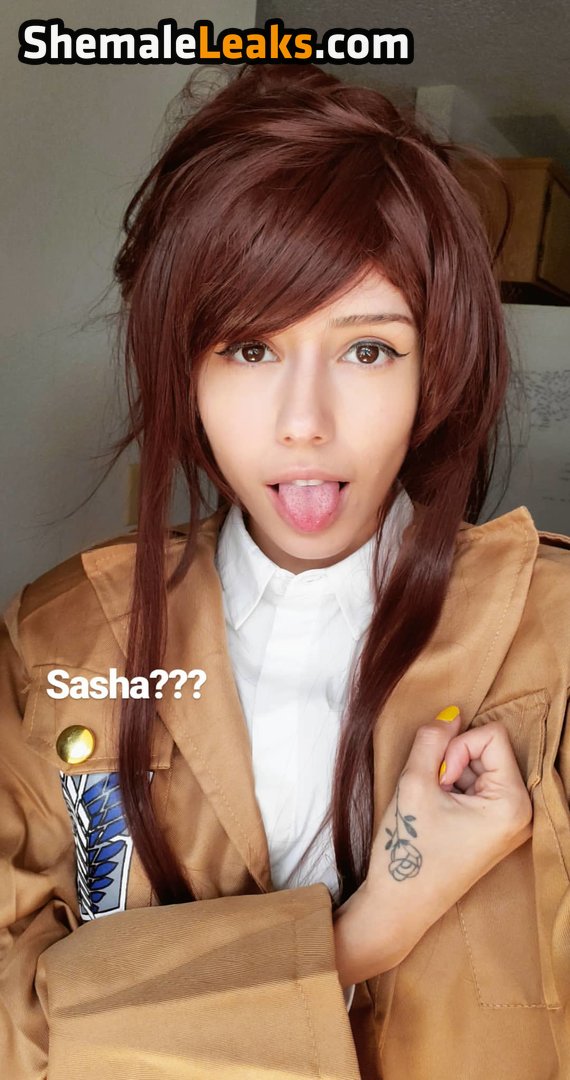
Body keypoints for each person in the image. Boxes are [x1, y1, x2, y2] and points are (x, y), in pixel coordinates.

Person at [1, 63, 569, 1080]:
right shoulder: (57, 645)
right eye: (251, 350)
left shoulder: (554, 640)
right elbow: (17, 1036)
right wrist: (364, 934)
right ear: (184, 364)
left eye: (368, 351)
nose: (305, 422)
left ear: (435, 368)